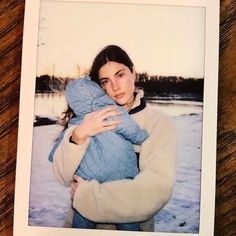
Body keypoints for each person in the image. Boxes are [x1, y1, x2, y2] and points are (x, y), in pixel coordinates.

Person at [50, 45, 176, 231]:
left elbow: (155, 191)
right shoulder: (84, 120)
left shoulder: (158, 122)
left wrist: (88, 196)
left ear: (133, 72)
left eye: (120, 75)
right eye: (105, 81)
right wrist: (79, 136)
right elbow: (62, 178)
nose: (115, 87)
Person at [49, 75, 149, 230]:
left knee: (82, 216)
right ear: (99, 91)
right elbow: (134, 132)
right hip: (122, 182)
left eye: (120, 75)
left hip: (87, 186)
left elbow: (55, 153)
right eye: (104, 82)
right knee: (127, 218)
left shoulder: (75, 122)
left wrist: (75, 134)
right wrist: (143, 135)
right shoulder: (112, 111)